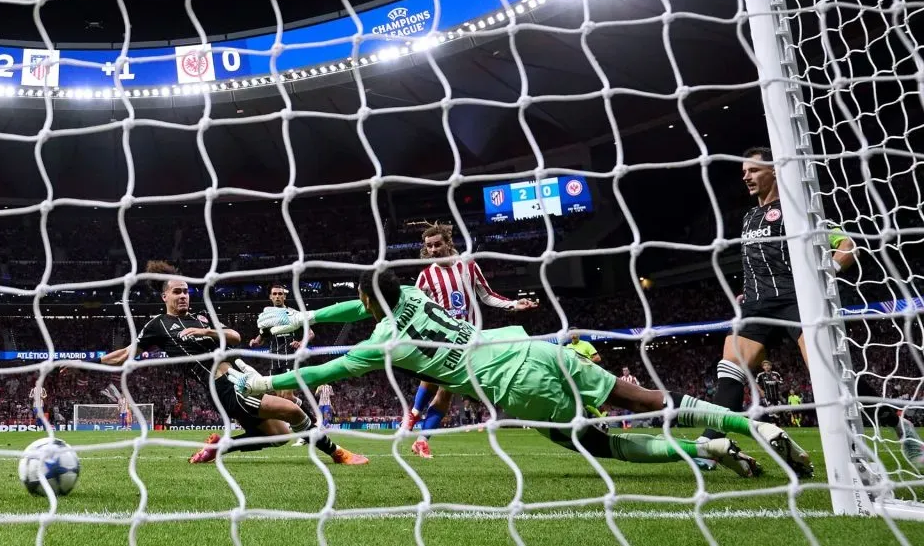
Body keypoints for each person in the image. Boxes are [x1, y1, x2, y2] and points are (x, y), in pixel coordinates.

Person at [235, 269, 814, 478]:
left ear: (370, 302)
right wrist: (309, 313)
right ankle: (741, 427)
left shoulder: (383, 343)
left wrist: (266, 383)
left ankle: (698, 454)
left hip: (515, 387)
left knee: (600, 446)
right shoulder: (409, 292)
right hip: (533, 348)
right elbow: (359, 303)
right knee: (641, 395)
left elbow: (330, 363)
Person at [696, 147, 914, 469]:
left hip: (798, 300)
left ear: (773, 171)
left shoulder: (798, 209)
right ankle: (710, 444)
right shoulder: (748, 218)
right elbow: (757, 260)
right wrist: (747, 291)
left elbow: (846, 246)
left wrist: (829, 273)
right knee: (730, 367)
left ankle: (894, 425)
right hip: (758, 305)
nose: (746, 176)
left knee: (830, 374)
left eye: (753, 170)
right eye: (744, 172)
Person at [99, 261, 366, 466]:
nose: (183, 296)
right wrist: (90, 362)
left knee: (280, 435)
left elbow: (234, 336)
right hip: (223, 387)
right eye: (177, 292)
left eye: (187, 292)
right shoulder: (157, 325)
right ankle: (338, 454)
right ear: (164, 297)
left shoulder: (201, 318)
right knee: (293, 412)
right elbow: (126, 353)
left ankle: (220, 447)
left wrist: (206, 332)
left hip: (236, 380)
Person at [407, 222, 538, 458]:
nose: (434, 250)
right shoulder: (426, 276)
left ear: (448, 243)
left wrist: (513, 304)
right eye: (429, 247)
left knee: (446, 392)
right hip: (440, 337)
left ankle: (421, 438)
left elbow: (487, 296)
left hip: (467, 336)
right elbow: (414, 306)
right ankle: (414, 416)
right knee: (432, 378)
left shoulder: (468, 266)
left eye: (437, 244)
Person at [249, 283, 318, 446]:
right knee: (280, 398)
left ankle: (310, 428)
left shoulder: (292, 314)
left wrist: (301, 342)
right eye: (275, 294)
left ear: (285, 296)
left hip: (289, 357)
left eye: (281, 293)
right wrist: (255, 342)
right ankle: (310, 427)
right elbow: (262, 335)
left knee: (287, 396)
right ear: (270, 297)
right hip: (275, 359)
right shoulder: (268, 317)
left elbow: (310, 333)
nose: (278, 296)